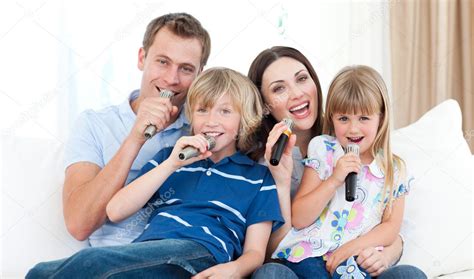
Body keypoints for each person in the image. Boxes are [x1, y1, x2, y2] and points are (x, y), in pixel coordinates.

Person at [27, 67, 285, 278]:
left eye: (225, 111)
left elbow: (255, 251)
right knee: (40, 273)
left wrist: (235, 269)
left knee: (92, 263)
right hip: (148, 254)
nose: (211, 121)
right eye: (202, 110)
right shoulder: (169, 158)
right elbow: (115, 209)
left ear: (244, 121)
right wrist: (172, 164)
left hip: (201, 253)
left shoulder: (257, 178)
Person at [248, 47, 426, 278]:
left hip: (356, 261)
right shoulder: (323, 150)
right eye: (343, 118)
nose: (353, 128)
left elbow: (392, 228)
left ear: (381, 117)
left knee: (410, 275)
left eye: (363, 118)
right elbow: (298, 218)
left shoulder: (395, 168)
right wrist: (334, 179)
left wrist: (360, 249)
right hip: (312, 258)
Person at [62, 13, 211, 246]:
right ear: (142, 58)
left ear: (200, 75)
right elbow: (79, 224)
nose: (172, 79)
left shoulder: (206, 131)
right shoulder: (95, 124)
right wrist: (135, 138)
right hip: (113, 262)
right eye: (163, 62)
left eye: (186, 69)